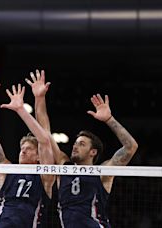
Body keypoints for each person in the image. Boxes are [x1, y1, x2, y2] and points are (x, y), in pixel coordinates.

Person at [26, 69, 139, 228]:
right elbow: (44, 132)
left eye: (82, 144)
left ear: (93, 152)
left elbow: (131, 147)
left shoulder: (103, 173)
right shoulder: (63, 166)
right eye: (75, 143)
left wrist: (109, 119)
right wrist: (39, 98)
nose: (75, 146)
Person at [0, 71, 55, 228]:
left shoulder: (45, 176)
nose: (23, 151)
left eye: (29, 148)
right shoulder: (7, 171)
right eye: (22, 148)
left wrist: (21, 110)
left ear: (38, 156)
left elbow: (44, 140)